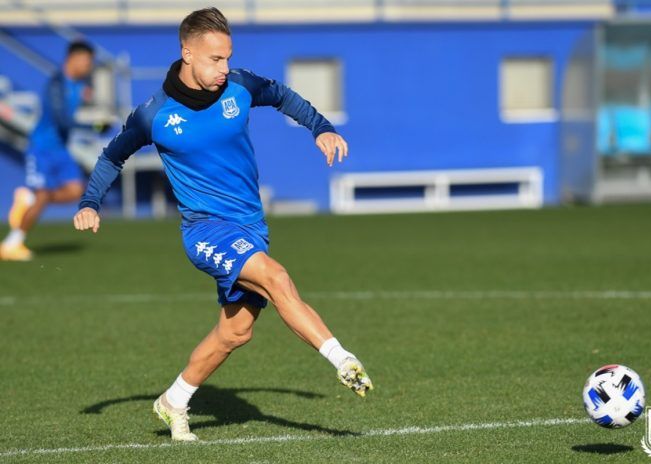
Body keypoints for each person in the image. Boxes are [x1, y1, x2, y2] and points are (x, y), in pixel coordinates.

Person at [73, 7, 373, 442]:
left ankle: (173, 401)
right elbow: (112, 156)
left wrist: (320, 128)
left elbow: (283, 95)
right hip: (205, 229)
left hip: (251, 226)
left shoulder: (240, 87)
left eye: (228, 58)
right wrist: (90, 202)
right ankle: (342, 359)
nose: (224, 68)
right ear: (187, 54)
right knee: (276, 278)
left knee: (236, 331)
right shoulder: (155, 115)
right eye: (215, 59)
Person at [1, 40, 97, 261]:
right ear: (73, 58)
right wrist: (91, 126)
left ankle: (28, 200)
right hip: (41, 148)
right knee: (43, 194)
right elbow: (62, 119)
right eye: (86, 61)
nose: (88, 66)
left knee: (75, 191)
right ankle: (12, 244)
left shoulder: (79, 85)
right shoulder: (56, 84)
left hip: (61, 149)